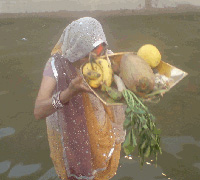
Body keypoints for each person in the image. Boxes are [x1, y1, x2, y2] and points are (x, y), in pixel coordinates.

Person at [34, 17, 126, 180]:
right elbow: (39, 111)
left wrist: (147, 89)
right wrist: (69, 92)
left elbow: (127, 89)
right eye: (88, 57)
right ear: (74, 53)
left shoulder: (106, 57)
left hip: (102, 131)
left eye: (100, 53)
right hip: (71, 138)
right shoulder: (55, 65)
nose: (97, 61)